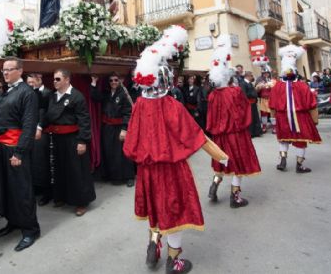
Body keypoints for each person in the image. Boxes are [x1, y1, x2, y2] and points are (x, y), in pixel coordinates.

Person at [123, 25, 228, 273]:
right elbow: (197, 137)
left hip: (147, 169)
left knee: (156, 208)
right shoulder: (172, 106)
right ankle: (174, 259)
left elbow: (131, 142)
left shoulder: (138, 106)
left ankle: (153, 243)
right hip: (172, 169)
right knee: (175, 210)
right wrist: (221, 156)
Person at [0, 58, 41, 251]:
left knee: (21, 191)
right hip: (0, 148)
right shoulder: (5, 92)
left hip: (15, 150)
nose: (5, 73)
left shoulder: (27, 93)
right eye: (3, 70)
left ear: (20, 71)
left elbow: (29, 125)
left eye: (9, 70)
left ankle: (31, 229)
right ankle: (13, 221)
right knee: (5, 188)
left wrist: (20, 152)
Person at [206, 38, 261, 208]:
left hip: (220, 136)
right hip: (236, 135)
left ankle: (214, 185)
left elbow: (210, 118)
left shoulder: (213, 95)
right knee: (238, 165)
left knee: (222, 163)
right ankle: (235, 197)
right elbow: (245, 109)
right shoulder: (235, 91)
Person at [39, 68, 96, 216]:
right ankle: (62, 197)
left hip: (73, 139)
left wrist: (82, 141)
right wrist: (39, 127)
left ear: (67, 80)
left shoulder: (77, 96)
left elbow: (84, 120)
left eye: (58, 79)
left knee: (76, 171)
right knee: (60, 169)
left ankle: (81, 202)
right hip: (57, 139)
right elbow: (47, 115)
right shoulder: (52, 96)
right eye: (54, 79)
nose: (54, 82)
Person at [269, 45, 321, 173]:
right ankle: (299, 165)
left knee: (283, 138)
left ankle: (282, 160)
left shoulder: (277, 87)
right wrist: (315, 120)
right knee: (301, 141)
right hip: (300, 117)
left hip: (282, 117)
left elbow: (272, 104)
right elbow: (311, 103)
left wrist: (273, 119)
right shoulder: (303, 86)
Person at [90, 72, 134, 187]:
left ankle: (129, 176)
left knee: (123, 153)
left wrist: (125, 129)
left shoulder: (124, 94)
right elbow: (95, 97)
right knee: (109, 151)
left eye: (115, 80)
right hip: (108, 127)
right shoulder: (106, 93)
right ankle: (112, 175)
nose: (113, 82)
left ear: (119, 81)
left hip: (120, 127)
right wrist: (94, 82)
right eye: (111, 80)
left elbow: (128, 113)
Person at [26, 73, 53, 205]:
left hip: (43, 133)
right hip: (30, 133)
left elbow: (47, 113)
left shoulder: (48, 93)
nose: (30, 85)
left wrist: (39, 127)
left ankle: (47, 192)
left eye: (32, 82)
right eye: (28, 83)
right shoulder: (29, 94)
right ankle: (37, 188)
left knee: (43, 163)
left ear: (39, 80)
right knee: (33, 162)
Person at [241, 71, 262, 138]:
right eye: (251, 76)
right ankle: (251, 133)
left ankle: (256, 132)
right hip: (248, 103)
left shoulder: (249, 83)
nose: (252, 77)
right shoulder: (243, 84)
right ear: (248, 76)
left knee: (255, 118)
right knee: (250, 119)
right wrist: (252, 94)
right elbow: (244, 94)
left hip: (253, 103)